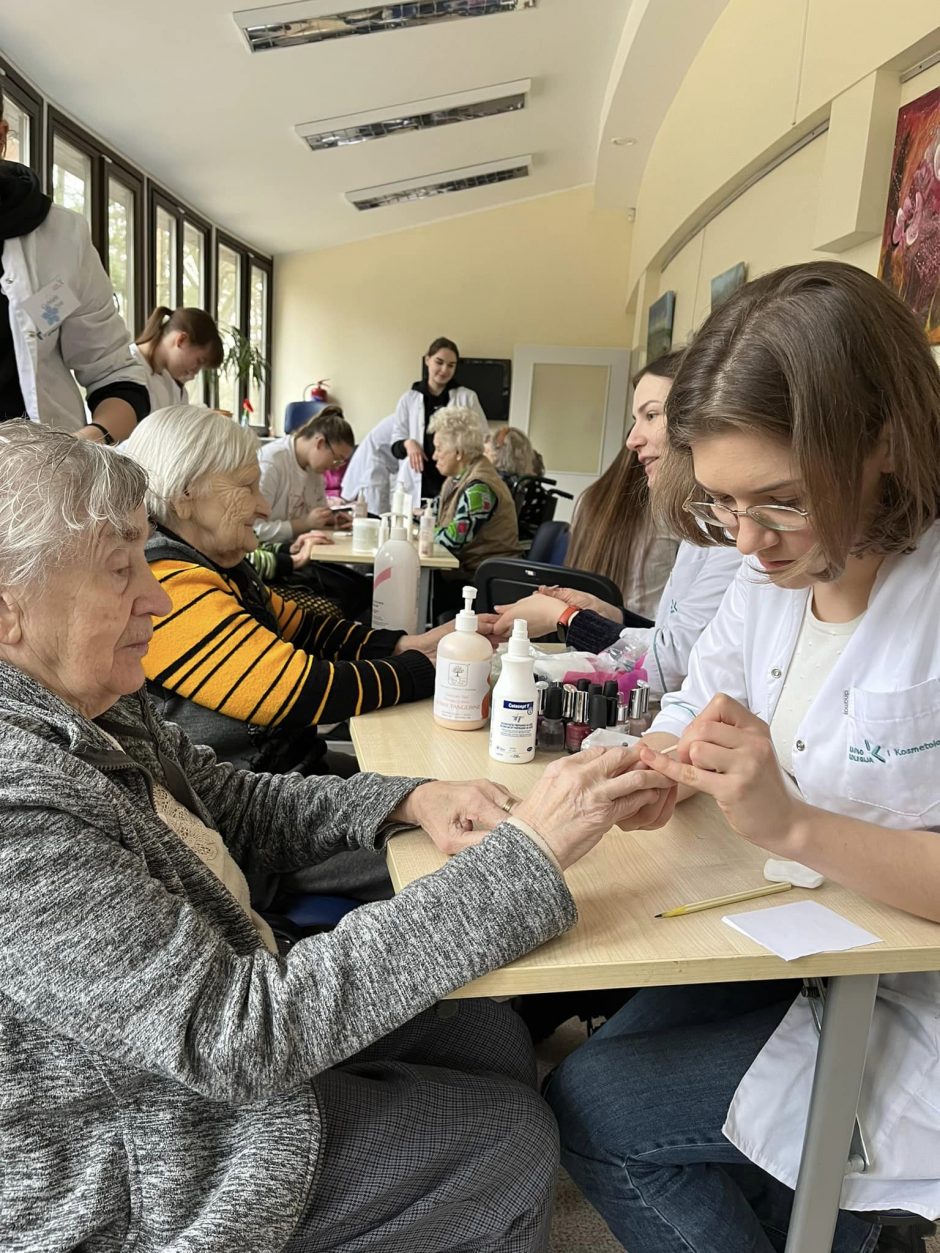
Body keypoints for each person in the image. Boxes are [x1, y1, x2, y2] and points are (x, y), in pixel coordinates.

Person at [0, 420, 675, 1253]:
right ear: (9, 615)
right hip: (151, 1152)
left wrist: (409, 798)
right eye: (120, 567)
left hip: (224, 1002)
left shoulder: (85, 699)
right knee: (508, 1137)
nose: (159, 593)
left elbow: (225, 801)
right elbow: (234, 1035)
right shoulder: (18, 809)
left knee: (487, 1029)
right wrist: (526, 856)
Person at [546, 261, 940, 1253]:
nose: (748, 544)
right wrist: (659, 765)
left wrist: (794, 822)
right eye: (724, 507)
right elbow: (696, 699)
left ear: (884, 443)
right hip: (796, 941)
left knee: (603, 1111)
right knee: (592, 1084)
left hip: (911, 992)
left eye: (779, 502)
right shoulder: (774, 574)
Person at [492, 352, 741, 697]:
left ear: (697, 421)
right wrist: (611, 615)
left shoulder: (732, 532)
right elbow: (670, 638)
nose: (631, 439)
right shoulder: (701, 522)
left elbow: (669, 666)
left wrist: (565, 618)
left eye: (651, 415)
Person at [0, 89, 148, 443]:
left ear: (1, 136)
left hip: (41, 478)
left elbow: (115, 375)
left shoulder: (62, 240)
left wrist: (85, 444)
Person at [564, 370, 680, 619]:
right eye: (640, 418)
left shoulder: (590, 498)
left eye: (651, 415)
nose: (633, 440)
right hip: (639, 638)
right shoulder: (670, 515)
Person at [430, 405, 521, 609]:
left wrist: (424, 532)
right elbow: (433, 515)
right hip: (467, 574)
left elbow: (454, 538)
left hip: (482, 582)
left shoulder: (480, 487)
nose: (434, 456)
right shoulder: (456, 479)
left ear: (459, 453)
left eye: (439, 448)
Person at [390, 335, 487, 507]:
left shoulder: (467, 398)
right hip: (418, 481)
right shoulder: (409, 399)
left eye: (451, 365)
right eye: (439, 362)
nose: (444, 370)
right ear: (427, 360)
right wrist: (408, 443)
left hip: (454, 478)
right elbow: (395, 447)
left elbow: (482, 440)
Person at [131, 305, 224, 410]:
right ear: (181, 340)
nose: (194, 374)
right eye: (199, 361)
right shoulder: (127, 368)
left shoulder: (171, 384)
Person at [340, 412, 399, 514]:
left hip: (381, 467)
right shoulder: (408, 420)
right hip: (373, 468)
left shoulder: (408, 419)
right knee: (373, 518)